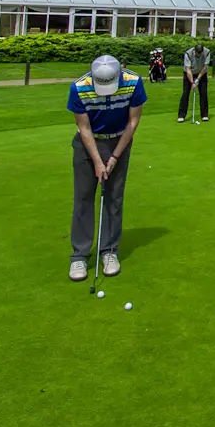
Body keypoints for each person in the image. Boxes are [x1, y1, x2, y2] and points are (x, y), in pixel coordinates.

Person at [67, 54, 146, 282]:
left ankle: (109, 251)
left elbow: (133, 122)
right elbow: (84, 128)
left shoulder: (132, 82)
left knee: (113, 197)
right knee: (83, 198)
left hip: (119, 141)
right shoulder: (79, 88)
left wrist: (114, 157)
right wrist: (98, 161)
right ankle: (79, 255)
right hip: (88, 145)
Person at [179, 41, 211, 122]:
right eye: (197, 53)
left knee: (203, 93)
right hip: (189, 73)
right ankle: (181, 115)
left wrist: (198, 79)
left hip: (201, 73)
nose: (198, 55)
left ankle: (204, 115)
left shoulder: (207, 52)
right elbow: (188, 69)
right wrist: (193, 82)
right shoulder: (188, 53)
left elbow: (205, 67)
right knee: (185, 93)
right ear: (194, 51)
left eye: (200, 53)